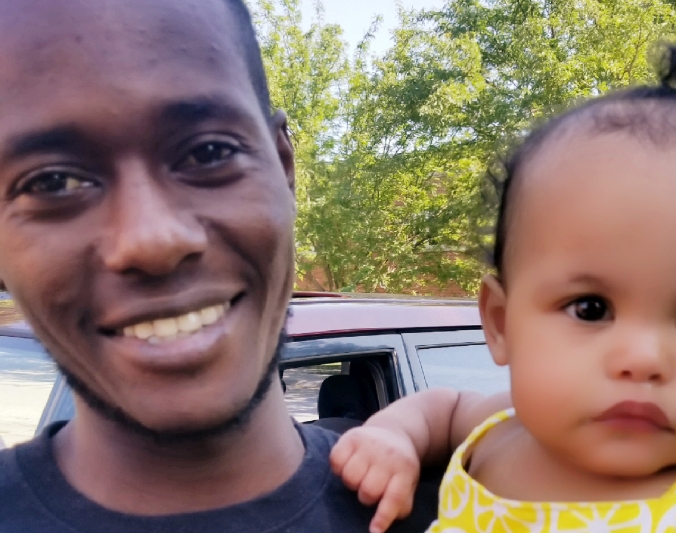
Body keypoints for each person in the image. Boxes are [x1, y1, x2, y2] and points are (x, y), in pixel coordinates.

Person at [0, 0, 436, 531]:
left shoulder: (480, 508)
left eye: (209, 152)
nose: (153, 242)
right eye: (52, 183)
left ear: (284, 168)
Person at [330, 47, 676, 533]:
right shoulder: (501, 430)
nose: (643, 359)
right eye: (591, 309)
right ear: (501, 324)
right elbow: (442, 409)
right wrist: (393, 435)